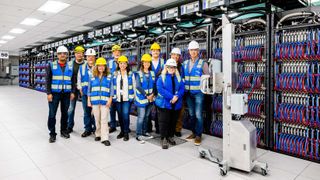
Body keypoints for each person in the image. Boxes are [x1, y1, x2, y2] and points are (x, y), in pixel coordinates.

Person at [46, 46, 75, 143]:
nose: (62, 55)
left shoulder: (70, 66)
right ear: (57, 55)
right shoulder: (51, 65)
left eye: (64, 53)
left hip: (66, 94)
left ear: (67, 55)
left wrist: (72, 92)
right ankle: (52, 134)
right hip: (54, 94)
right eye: (60, 53)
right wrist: (48, 93)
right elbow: (48, 80)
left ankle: (63, 131)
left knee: (65, 114)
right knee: (52, 114)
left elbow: (73, 80)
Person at [183, 40, 209, 146]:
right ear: (189, 51)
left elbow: (208, 78)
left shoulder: (203, 63)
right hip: (188, 93)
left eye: (195, 50)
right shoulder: (185, 63)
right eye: (191, 50)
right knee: (192, 114)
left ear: (198, 51)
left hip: (198, 93)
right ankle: (193, 133)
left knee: (198, 114)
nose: (193, 52)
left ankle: (198, 135)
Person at [155, 59, 184, 149]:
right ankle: (164, 138)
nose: (172, 69)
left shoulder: (179, 78)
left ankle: (170, 136)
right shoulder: (161, 77)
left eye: (173, 67)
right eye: (170, 67)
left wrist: (177, 96)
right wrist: (172, 97)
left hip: (175, 104)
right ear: (166, 67)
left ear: (175, 68)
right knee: (164, 122)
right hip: (164, 104)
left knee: (173, 121)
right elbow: (160, 89)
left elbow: (182, 89)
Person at [87, 57, 112, 146]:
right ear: (96, 67)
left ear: (105, 67)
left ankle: (105, 138)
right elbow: (89, 90)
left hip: (105, 102)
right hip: (95, 101)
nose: (101, 68)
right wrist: (88, 101)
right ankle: (98, 134)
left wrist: (110, 100)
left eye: (103, 66)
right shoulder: (92, 77)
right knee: (97, 119)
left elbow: (112, 89)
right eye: (99, 66)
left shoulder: (109, 77)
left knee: (104, 119)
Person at [112, 55, 135, 141]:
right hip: (117, 98)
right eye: (121, 63)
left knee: (125, 115)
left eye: (124, 63)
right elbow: (112, 85)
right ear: (118, 64)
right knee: (120, 115)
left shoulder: (130, 74)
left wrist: (134, 97)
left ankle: (126, 132)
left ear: (127, 64)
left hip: (126, 99)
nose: (122, 65)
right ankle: (121, 131)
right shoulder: (115, 74)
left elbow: (134, 85)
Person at [135, 54, 155, 143]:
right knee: (141, 117)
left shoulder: (152, 73)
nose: (147, 63)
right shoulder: (138, 74)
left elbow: (155, 85)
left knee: (147, 116)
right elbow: (138, 86)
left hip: (150, 99)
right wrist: (147, 95)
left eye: (148, 62)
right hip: (142, 99)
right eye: (145, 62)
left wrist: (153, 94)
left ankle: (144, 132)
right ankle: (139, 134)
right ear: (142, 63)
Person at [78, 48, 97, 138]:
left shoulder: (99, 67)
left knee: (96, 112)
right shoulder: (81, 67)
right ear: (86, 57)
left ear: (95, 57)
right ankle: (87, 129)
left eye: (92, 56)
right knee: (87, 112)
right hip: (85, 94)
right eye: (88, 56)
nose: (90, 58)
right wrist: (80, 88)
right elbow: (79, 79)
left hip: (97, 94)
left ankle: (97, 128)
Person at [148, 42, 166, 134]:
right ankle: (148, 127)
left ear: (159, 52)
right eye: (153, 50)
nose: (155, 52)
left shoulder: (163, 62)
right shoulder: (147, 61)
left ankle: (158, 128)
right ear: (151, 51)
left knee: (159, 109)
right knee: (148, 109)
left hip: (160, 88)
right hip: (149, 88)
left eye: (157, 50)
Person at [67, 46, 85, 133]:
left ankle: (89, 127)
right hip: (72, 89)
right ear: (74, 54)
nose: (79, 55)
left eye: (81, 53)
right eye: (77, 53)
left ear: (83, 54)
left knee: (87, 108)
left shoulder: (86, 64)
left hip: (83, 88)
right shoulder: (70, 64)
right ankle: (69, 126)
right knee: (70, 108)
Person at [170, 48, 185, 137]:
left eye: (177, 55)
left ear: (179, 57)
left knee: (180, 112)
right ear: (171, 55)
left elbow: (183, 80)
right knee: (169, 112)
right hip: (169, 93)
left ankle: (177, 129)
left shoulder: (181, 67)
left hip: (179, 93)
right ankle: (170, 128)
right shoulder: (166, 65)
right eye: (174, 54)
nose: (175, 56)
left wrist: (179, 93)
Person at [108, 44, 122, 133]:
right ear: (112, 53)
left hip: (121, 89)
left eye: (118, 51)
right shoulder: (109, 63)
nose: (116, 53)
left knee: (121, 110)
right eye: (115, 51)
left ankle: (123, 127)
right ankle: (113, 125)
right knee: (112, 109)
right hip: (112, 89)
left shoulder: (124, 61)